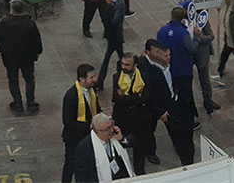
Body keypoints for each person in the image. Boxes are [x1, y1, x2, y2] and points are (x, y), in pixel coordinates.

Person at [141, 38, 196, 166]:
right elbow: (147, 94)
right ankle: (150, 152)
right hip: (157, 108)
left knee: (181, 135)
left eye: (168, 54)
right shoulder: (144, 67)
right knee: (149, 130)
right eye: (160, 53)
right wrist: (159, 111)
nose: (166, 57)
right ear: (148, 53)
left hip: (173, 102)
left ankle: (187, 160)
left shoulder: (168, 63)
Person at [111, 53, 159, 174]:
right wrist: (136, 97)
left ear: (135, 65)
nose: (124, 67)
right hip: (122, 115)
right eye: (122, 64)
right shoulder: (117, 77)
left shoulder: (144, 77)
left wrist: (126, 98)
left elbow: (147, 98)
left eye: (127, 65)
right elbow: (116, 98)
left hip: (140, 115)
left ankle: (140, 169)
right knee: (120, 141)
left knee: (141, 141)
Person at [0, 0, 42, 113]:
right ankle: (30, 103)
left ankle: (17, 103)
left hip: (10, 58)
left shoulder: (4, 23)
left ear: (12, 10)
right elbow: (37, 40)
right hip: (27, 57)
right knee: (29, 79)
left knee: (13, 79)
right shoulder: (29, 23)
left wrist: (2, 51)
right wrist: (37, 52)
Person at [61, 64, 101, 183]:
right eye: (91, 77)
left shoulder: (92, 90)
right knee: (71, 164)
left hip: (89, 135)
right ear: (81, 79)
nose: (95, 79)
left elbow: (96, 109)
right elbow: (67, 121)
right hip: (74, 137)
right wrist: (89, 126)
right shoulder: (71, 95)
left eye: (95, 76)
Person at [73, 113, 135, 182]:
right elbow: (81, 177)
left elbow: (138, 145)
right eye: (106, 129)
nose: (111, 131)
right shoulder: (84, 147)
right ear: (96, 131)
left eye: (111, 126)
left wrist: (122, 139)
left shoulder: (116, 135)